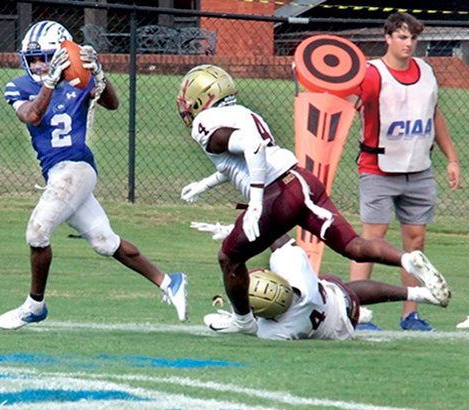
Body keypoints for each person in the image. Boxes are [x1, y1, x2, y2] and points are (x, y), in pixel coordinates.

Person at [175, 64, 451, 335]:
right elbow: (244, 161)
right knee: (353, 245)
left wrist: (256, 202)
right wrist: (204, 184)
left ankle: (243, 321)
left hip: (276, 195)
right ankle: (407, 260)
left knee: (229, 257)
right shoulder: (243, 113)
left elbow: (253, 147)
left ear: (202, 97)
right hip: (301, 180)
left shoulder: (204, 122)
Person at [0, 20, 187, 330]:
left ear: (62, 54)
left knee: (37, 232)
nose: (38, 64)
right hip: (57, 174)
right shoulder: (19, 86)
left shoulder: (78, 81)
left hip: (77, 168)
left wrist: (100, 74)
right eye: (33, 59)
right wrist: (49, 83)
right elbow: (31, 116)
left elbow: (112, 103)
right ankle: (170, 282)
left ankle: (35, 305)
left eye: (44, 57)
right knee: (104, 242)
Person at [347, 12, 460, 332]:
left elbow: (434, 114)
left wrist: (452, 159)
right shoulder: (372, 73)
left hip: (418, 170)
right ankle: (356, 313)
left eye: (412, 38)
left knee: (416, 243)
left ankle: (411, 314)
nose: (408, 43)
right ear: (387, 38)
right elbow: (348, 102)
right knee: (371, 241)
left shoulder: (426, 71)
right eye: (401, 37)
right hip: (378, 169)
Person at [194, 226, 447, 340]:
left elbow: (249, 325)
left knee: (345, 295)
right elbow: (273, 231)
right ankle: (418, 293)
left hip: (338, 330)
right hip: (331, 298)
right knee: (343, 290)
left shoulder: (275, 331)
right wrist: (238, 232)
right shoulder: (294, 270)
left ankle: (407, 297)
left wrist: (236, 318)